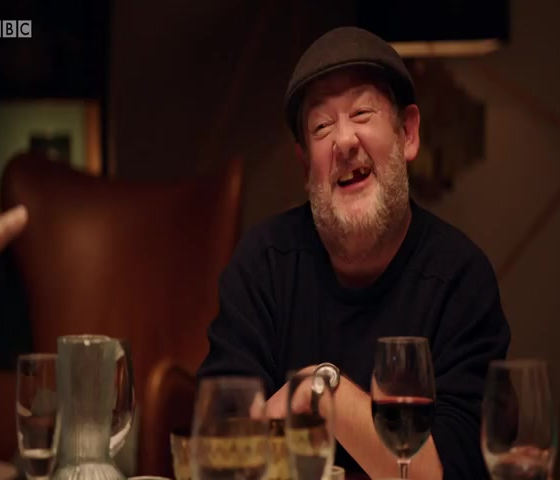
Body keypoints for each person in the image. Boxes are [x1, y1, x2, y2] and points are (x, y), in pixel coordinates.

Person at [197, 26, 510, 479]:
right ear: (306, 166)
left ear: (408, 134)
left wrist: (322, 391)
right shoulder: (262, 266)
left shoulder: (461, 279)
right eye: (321, 126)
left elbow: (455, 471)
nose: (344, 141)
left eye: (362, 112)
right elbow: (221, 447)